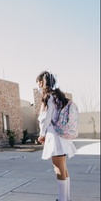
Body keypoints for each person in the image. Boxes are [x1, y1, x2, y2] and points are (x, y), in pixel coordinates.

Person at [36, 71, 76, 201]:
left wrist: (42, 134)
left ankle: (62, 199)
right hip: (63, 136)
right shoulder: (60, 97)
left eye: (38, 82)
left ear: (43, 82)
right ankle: (66, 198)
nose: (38, 85)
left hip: (55, 136)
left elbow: (45, 118)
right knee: (63, 168)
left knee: (58, 168)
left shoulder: (49, 97)